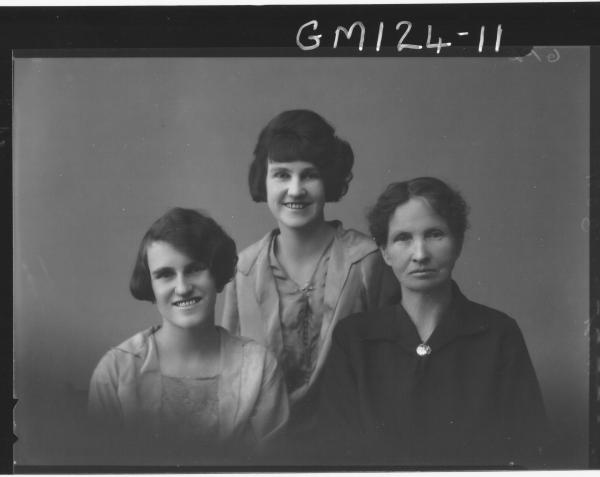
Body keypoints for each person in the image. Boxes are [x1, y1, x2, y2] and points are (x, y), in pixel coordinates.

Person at [316, 177, 549, 468]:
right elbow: (334, 457)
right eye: (403, 238)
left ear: (458, 242)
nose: (420, 254)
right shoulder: (353, 339)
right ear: (385, 251)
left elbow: (528, 452)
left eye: (435, 234)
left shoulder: (499, 334)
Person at [221, 110, 400, 435]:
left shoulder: (367, 263)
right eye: (281, 175)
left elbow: (389, 373)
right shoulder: (243, 272)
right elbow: (231, 381)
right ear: (262, 179)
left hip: (352, 447)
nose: (295, 189)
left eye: (309, 175)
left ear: (329, 179)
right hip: (263, 454)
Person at [88, 208, 288, 463]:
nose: (182, 288)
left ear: (217, 273)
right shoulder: (115, 372)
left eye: (195, 269)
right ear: (150, 284)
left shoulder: (259, 368)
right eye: (165, 275)